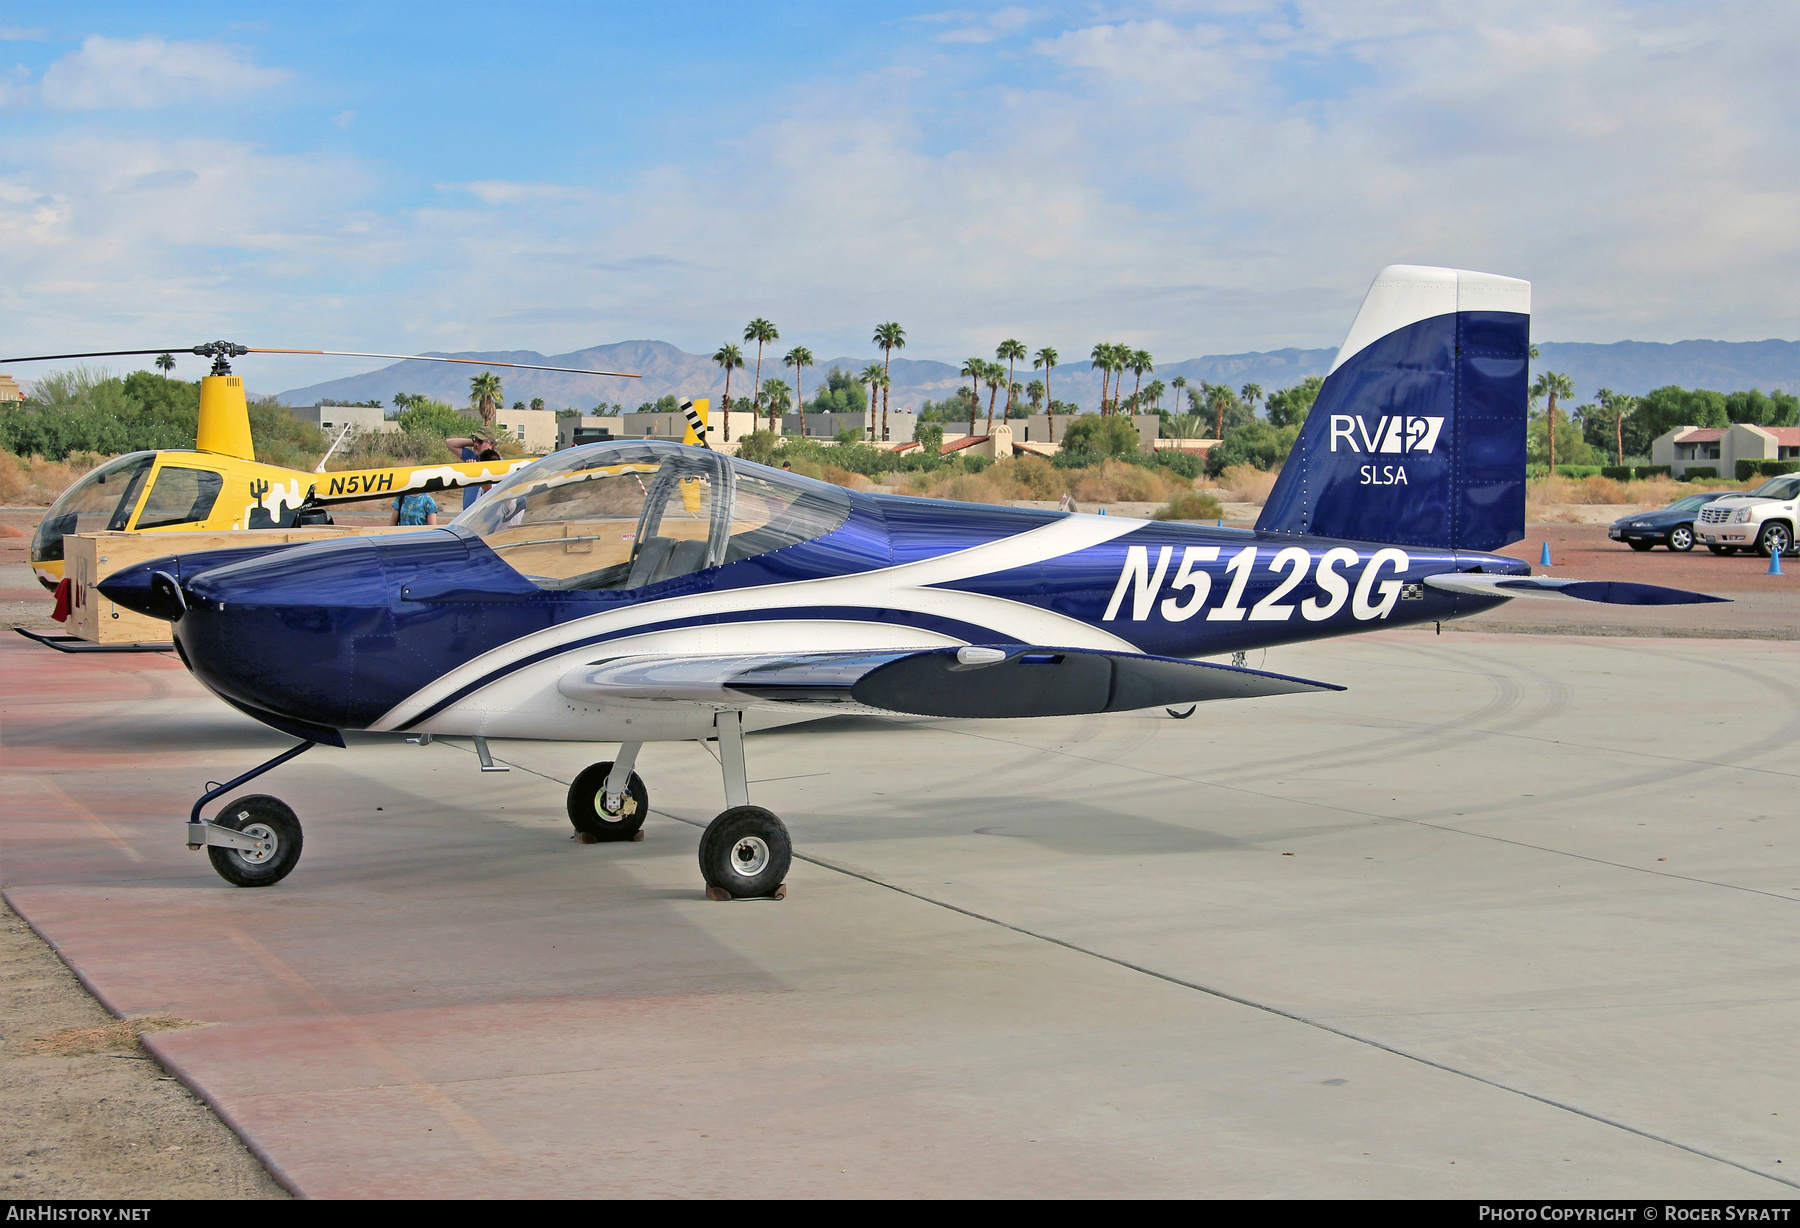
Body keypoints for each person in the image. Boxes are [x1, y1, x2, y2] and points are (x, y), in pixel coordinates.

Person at [446, 430, 496, 510]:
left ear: (491, 444)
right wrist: (475, 443)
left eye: (480, 441)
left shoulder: (497, 462)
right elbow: (450, 443)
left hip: (484, 516)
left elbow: (491, 489)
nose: (476, 444)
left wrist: (475, 472)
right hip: (468, 517)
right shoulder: (473, 456)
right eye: (474, 440)